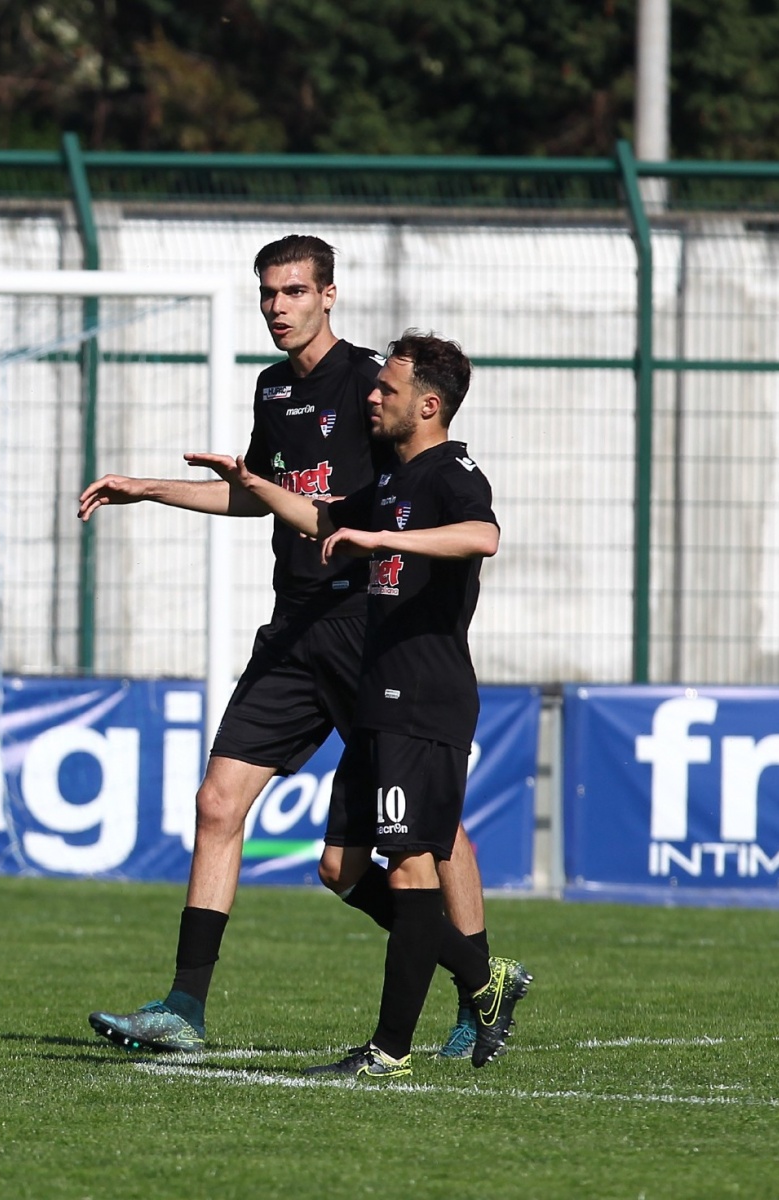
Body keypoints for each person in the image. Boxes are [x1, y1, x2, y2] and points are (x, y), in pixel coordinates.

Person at [78, 236, 492, 1057]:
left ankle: (478, 978)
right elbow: (264, 500)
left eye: (295, 292)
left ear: (329, 296)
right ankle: (183, 1008)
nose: (278, 307)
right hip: (295, 624)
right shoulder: (273, 388)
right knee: (218, 802)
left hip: (370, 631)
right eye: (269, 293)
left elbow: (413, 492)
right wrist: (149, 487)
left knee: (423, 834)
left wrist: (391, 552)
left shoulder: (378, 386)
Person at [188, 331, 529, 1077]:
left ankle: (389, 1050)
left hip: (424, 693)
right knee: (341, 867)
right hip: (379, 692)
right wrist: (251, 481)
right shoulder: (393, 480)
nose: (373, 394)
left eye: (389, 389)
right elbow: (320, 518)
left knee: (411, 865)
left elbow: (484, 535)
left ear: (429, 405)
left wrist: (379, 537)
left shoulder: (451, 469)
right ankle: (483, 978)